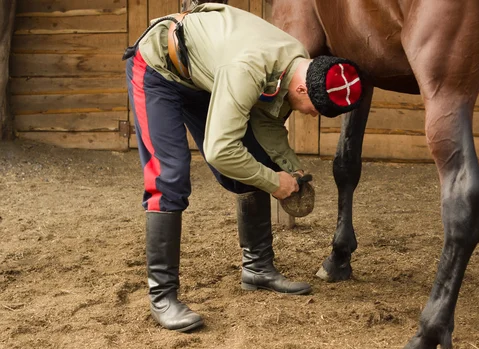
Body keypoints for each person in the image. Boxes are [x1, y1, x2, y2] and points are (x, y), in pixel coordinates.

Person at [124, 3, 364, 332]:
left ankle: (258, 268)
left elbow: (266, 122)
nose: (312, 116)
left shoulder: (296, 58)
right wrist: (272, 182)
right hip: (158, 69)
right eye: (314, 109)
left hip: (204, 75)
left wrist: (289, 169)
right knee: (170, 176)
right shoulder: (247, 70)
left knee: (253, 155)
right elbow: (221, 150)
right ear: (302, 88)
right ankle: (163, 297)